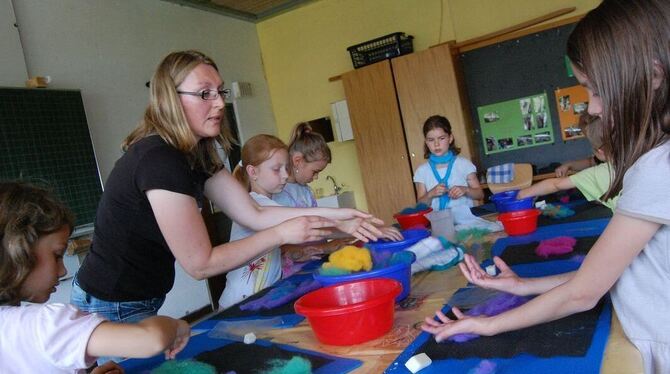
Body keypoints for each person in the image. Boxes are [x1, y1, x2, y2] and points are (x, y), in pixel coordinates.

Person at [421, 1, 670, 372]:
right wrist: (522, 286)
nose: (594, 106)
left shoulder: (657, 168)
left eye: (596, 89)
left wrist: (485, 324)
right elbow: (608, 275)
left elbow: (583, 293)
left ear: (652, 75)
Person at [71, 51, 384, 326]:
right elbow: (201, 264)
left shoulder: (198, 154)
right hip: (110, 302)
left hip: (141, 298)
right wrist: (281, 234)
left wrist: (341, 216)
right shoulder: (159, 160)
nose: (220, 102)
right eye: (205, 93)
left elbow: (255, 212)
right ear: (170, 99)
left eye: (219, 91)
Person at [0, 182, 190, 374]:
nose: (63, 270)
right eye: (57, 255)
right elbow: (152, 339)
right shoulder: (45, 326)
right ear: (17, 252)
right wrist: (176, 326)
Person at [272, 123, 401, 262]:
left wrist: (369, 231)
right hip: (293, 271)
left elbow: (324, 227)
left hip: (314, 263)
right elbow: (278, 247)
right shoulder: (278, 194)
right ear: (297, 161)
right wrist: (326, 247)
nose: (316, 178)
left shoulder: (305, 191)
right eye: (315, 172)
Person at [218, 134, 291, 308]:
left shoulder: (268, 203)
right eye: (276, 169)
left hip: (257, 299)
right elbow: (304, 220)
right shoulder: (255, 203)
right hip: (238, 304)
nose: (286, 175)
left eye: (286, 168)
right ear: (253, 172)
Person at [517, 115, 619, 211]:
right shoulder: (632, 163)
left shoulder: (597, 173)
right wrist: (569, 165)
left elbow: (556, 184)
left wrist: (523, 193)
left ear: (600, 151)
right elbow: (592, 161)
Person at [414, 115, 484, 211]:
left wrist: (465, 190)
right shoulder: (421, 171)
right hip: (438, 223)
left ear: (450, 138)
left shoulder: (464, 164)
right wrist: (430, 194)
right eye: (431, 140)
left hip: (466, 221)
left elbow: (480, 194)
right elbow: (420, 205)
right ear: (426, 142)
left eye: (441, 138)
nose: (436, 144)